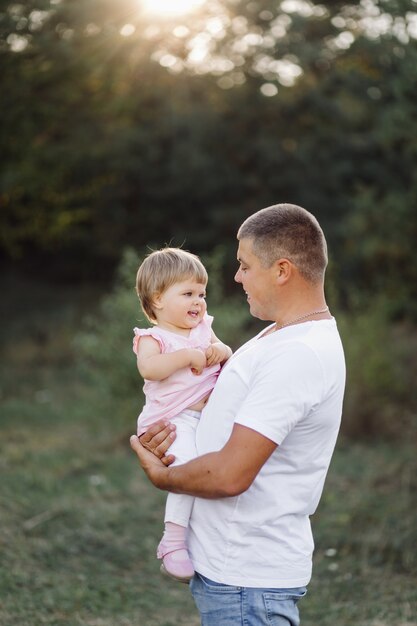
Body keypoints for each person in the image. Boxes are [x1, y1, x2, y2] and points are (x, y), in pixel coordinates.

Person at [130, 203, 346, 626]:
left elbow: (230, 475)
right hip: (232, 572)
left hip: (248, 580)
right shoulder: (279, 335)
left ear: (281, 270)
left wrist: (163, 477)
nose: (236, 276)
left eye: (244, 265)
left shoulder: (299, 353)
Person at [133, 247, 232, 583]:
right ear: (158, 299)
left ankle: (200, 537)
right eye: (188, 293)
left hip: (205, 418)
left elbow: (225, 350)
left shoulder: (203, 328)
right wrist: (187, 356)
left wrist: (220, 350)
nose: (199, 302)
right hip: (172, 419)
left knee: (213, 470)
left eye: (202, 294)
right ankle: (172, 541)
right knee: (189, 470)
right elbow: (149, 369)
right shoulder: (153, 337)